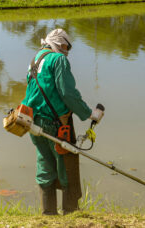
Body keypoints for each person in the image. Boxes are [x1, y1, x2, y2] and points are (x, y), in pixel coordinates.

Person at [21, 29, 103, 215]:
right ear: (58, 43)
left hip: (34, 121)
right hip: (56, 124)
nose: (67, 51)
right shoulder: (59, 60)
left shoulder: (36, 58)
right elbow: (67, 93)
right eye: (66, 46)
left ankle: (48, 215)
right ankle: (71, 213)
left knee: (45, 166)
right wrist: (89, 113)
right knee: (68, 166)